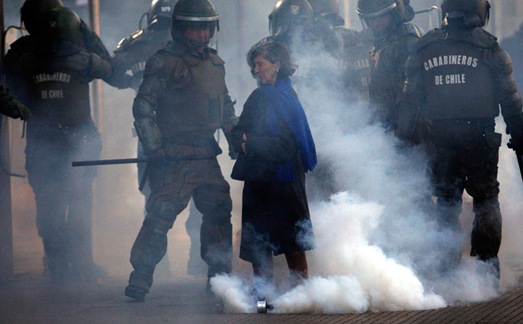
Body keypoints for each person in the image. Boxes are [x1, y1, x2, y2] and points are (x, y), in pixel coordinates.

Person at [399, 0, 523, 281]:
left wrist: (403, 142)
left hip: (438, 137)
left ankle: (446, 271)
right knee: (486, 199)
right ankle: (485, 272)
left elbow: (410, 102)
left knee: (445, 201)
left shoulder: (424, 48)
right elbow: (510, 101)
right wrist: (520, 134)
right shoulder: (489, 48)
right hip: (479, 136)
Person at [124, 0, 237, 302]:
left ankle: (219, 277)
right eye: (195, 28)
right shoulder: (164, 61)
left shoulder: (215, 62)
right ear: (180, 28)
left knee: (218, 210)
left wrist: (237, 141)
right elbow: (143, 105)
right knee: (161, 214)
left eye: (206, 28)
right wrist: (154, 146)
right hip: (175, 155)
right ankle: (141, 278)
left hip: (205, 154)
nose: (202, 35)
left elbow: (225, 107)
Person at [2, 5, 113, 284]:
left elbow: (113, 70)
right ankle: (62, 266)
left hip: (71, 143)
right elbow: (111, 67)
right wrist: (83, 31)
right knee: (56, 211)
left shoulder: (24, 54)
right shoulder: (71, 56)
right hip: (50, 144)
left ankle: (76, 266)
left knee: (73, 208)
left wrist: (81, 31)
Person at [230, 40, 316, 289]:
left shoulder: (289, 100)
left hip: (285, 183)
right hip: (258, 184)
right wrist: (243, 141)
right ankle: (262, 302)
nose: (256, 70)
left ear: (277, 65)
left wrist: (251, 144)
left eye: (260, 64)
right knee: (258, 246)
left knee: (294, 244)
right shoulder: (256, 98)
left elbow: (286, 147)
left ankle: (304, 298)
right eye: (254, 65)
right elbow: (238, 133)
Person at [356, 0, 423, 132]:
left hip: (401, 128)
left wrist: (402, 136)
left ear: (395, 14)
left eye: (382, 16)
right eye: (372, 18)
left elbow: (411, 97)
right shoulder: (383, 42)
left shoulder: (406, 43)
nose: (377, 23)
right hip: (386, 126)